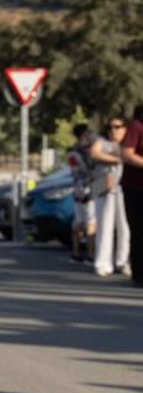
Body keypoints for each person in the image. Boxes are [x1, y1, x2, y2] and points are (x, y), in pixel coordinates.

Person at [89, 117, 132, 278]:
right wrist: (117, 159)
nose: (113, 130)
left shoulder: (128, 144)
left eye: (117, 126)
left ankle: (123, 261)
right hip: (103, 186)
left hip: (123, 188)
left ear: (125, 128)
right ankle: (102, 263)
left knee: (125, 227)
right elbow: (94, 153)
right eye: (110, 127)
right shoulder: (102, 142)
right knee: (104, 226)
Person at [67, 123, 98, 263]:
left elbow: (73, 170)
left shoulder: (72, 151)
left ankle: (76, 253)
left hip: (77, 188)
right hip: (89, 188)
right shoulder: (86, 151)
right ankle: (91, 255)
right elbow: (91, 168)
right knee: (91, 221)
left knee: (78, 221)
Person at [121, 105, 143, 287]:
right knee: (139, 231)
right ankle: (139, 274)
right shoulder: (136, 126)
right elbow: (127, 154)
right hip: (136, 188)